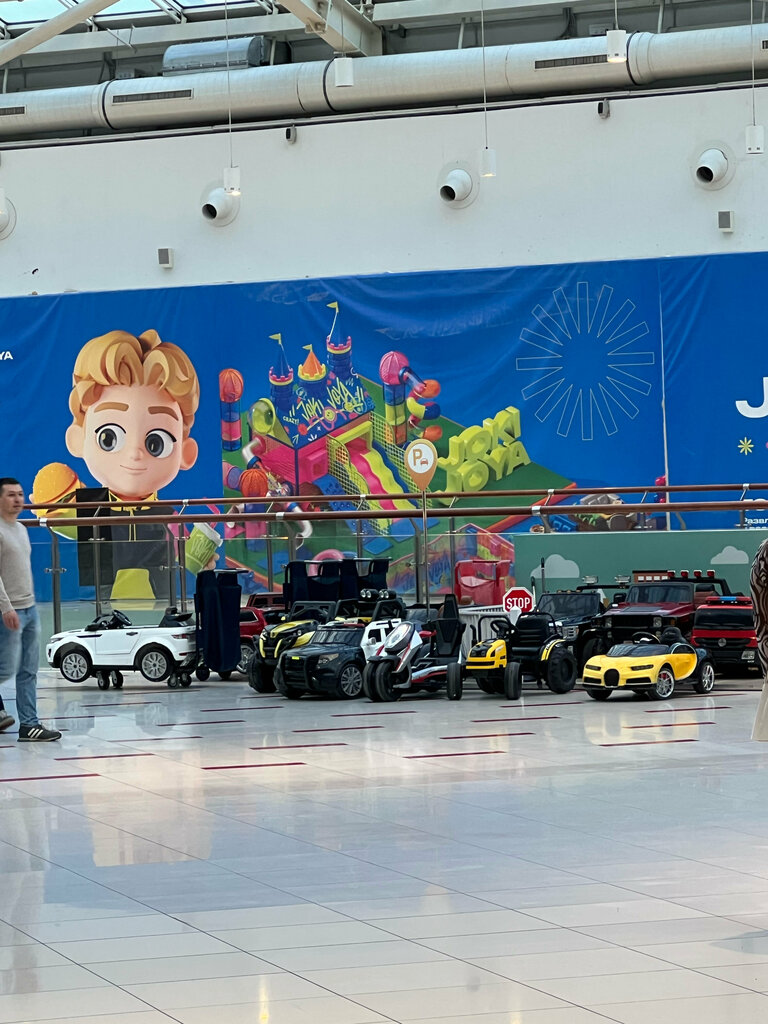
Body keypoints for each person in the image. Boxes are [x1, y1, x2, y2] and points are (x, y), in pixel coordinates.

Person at [0, 478, 61, 742]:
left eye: (20, 494)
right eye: (10, 495)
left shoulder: (21, 529)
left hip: (28, 609)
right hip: (7, 611)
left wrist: (29, 604)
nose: (17, 500)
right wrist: (6, 608)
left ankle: (29, 724)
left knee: (28, 670)